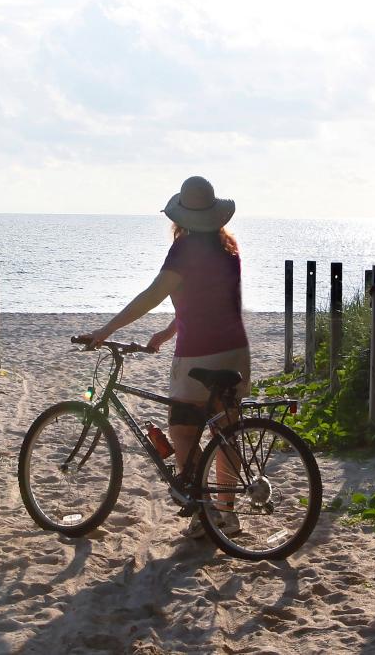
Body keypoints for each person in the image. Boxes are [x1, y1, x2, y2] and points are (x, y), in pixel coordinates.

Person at [83, 176, 250, 539]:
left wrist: (106, 330)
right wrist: (166, 332)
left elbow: (152, 295)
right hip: (236, 352)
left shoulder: (184, 250)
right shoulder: (228, 251)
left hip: (198, 354)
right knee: (226, 432)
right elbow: (205, 303)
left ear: (181, 216)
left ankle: (201, 513)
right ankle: (226, 515)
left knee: (183, 431)